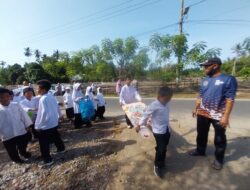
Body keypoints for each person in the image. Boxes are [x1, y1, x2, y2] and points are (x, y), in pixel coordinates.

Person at [189, 57, 238, 170]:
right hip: (202, 112)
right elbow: (200, 95)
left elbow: (230, 99)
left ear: (215, 66)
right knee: (201, 134)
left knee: (219, 138)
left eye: (206, 66)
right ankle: (200, 150)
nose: (204, 68)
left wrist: (226, 116)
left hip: (218, 115)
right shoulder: (205, 79)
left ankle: (219, 160)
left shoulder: (228, 79)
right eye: (203, 66)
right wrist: (195, 108)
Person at [136, 87, 173, 178]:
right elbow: (145, 115)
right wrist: (139, 125)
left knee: (164, 146)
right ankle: (157, 165)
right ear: (160, 96)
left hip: (167, 129)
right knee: (161, 148)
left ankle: (161, 158)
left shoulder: (166, 103)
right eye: (167, 98)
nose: (168, 100)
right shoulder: (154, 105)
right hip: (158, 131)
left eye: (170, 99)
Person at [35, 80, 65, 167]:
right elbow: (57, 106)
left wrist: (38, 125)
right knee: (56, 136)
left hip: (46, 124)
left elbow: (43, 113)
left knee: (43, 142)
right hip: (53, 122)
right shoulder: (51, 96)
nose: (36, 90)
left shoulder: (43, 99)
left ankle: (47, 159)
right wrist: (60, 116)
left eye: (38, 88)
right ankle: (61, 148)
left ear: (43, 89)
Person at [0, 87, 33, 164]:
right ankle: (16, 159)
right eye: (1, 97)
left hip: (20, 130)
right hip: (7, 134)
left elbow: (24, 115)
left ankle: (23, 153)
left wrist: (28, 125)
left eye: (7, 96)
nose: (5, 99)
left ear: (10, 96)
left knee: (22, 144)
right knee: (11, 149)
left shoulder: (16, 105)